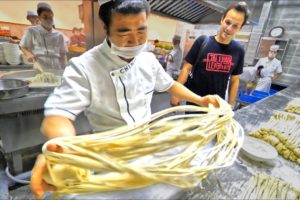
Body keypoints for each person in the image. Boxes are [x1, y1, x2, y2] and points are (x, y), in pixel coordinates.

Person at [30, 0, 219, 198]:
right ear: (106, 28)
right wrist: (63, 147)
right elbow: (58, 115)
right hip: (108, 161)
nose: (135, 40)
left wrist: (200, 100)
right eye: (123, 32)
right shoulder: (84, 67)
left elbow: (169, 85)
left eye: (141, 31)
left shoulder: (148, 60)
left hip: (147, 153)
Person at [171, 2, 249, 108]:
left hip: (217, 105)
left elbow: (235, 80)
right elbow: (186, 68)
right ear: (222, 20)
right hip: (195, 102)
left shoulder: (238, 51)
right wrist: (177, 95)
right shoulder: (203, 42)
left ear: (240, 28)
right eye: (227, 22)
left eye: (235, 26)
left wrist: (231, 104)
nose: (229, 28)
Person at [20, 2, 68, 70]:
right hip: (40, 67)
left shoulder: (59, 35)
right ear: (39, 18)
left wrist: (65, 69)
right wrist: (28, 54)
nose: (48, 20)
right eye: (45, 17)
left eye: (50, 17)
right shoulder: (31, 31)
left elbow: (63, 54)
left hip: (56, 67)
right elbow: (22, 46)